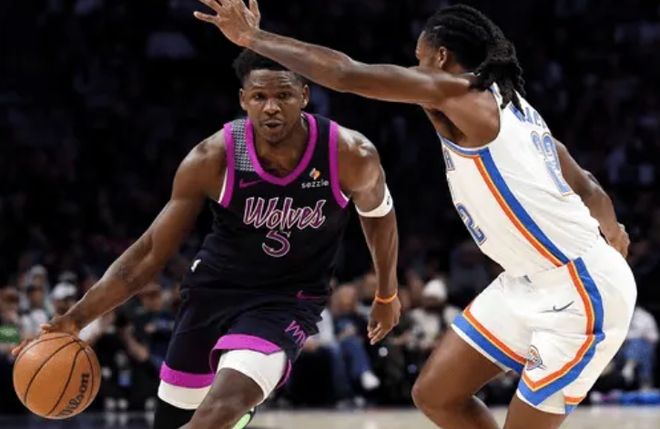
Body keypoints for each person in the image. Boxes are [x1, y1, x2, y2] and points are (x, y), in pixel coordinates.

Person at [194, 2, 637, 428]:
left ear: (441, 59)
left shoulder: (461, 93)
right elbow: (587, 185)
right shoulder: (517, 108)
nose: (413, 70)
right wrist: (613, 230)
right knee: (436, 395)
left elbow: (347, 74)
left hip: (579, 289)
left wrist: (253, 38)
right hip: (528, 280)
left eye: (419, 59)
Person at [13, 50, 401, 429]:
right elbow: (149, 253)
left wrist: (386, 294)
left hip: (287, 300)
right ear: (243, 100)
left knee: (217, 412)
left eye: (283, 95)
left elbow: (379, 215)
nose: (270, 107)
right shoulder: (213, 158)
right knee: (177, 420)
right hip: (212, 293)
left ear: (304, 95)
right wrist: (75, 319)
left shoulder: (348, 154)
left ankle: (235, 413)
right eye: (259, 96)